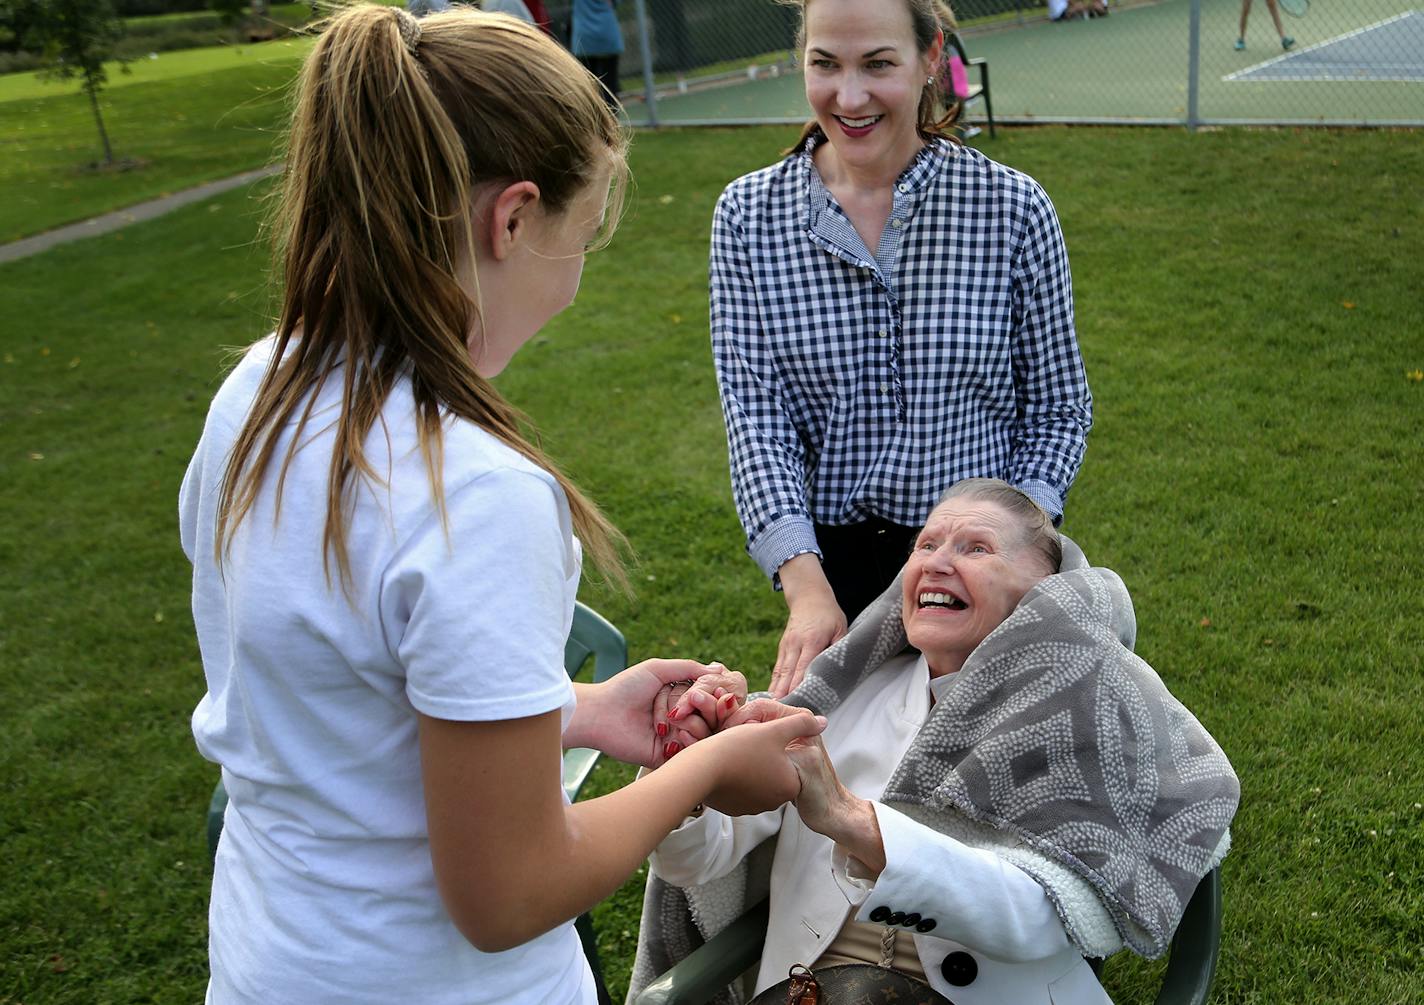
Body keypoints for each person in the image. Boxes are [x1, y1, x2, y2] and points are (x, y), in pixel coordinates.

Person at [178, 7, 827, 1003]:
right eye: (588, 222)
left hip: (273, 964)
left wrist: (578, 712)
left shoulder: (262, 390)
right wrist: (706, 773)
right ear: (513, 218)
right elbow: (508, 893)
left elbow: (341, 700)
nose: (581, 256)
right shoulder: (477, 496)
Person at [633, 479, 1240, 1005]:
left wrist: (848, 818)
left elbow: (1046, 921)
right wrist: (690, 768)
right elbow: (698, 862)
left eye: (975, 548)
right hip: (809, 989)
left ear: (1045, 589)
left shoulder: (1085, 709)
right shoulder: (842, 696)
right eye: (925, 545)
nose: (934, 562)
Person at [710, 0, 1093, 698]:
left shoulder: (1012, 209)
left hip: (984, 566)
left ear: (928, 58)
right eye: (825, 64)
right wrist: (806, 586)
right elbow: (757, 423)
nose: (848, 97)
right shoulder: (748, 217)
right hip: (837, 569)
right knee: (853, 786)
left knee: (986, 788)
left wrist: (1014, 554)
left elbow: (1058, 408)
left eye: (878, 64)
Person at [571, 0, 624, 109]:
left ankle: (591, 117)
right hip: (607, 31)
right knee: (610, 83)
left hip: (584, 36)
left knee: (587, 84)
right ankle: (611, 119)